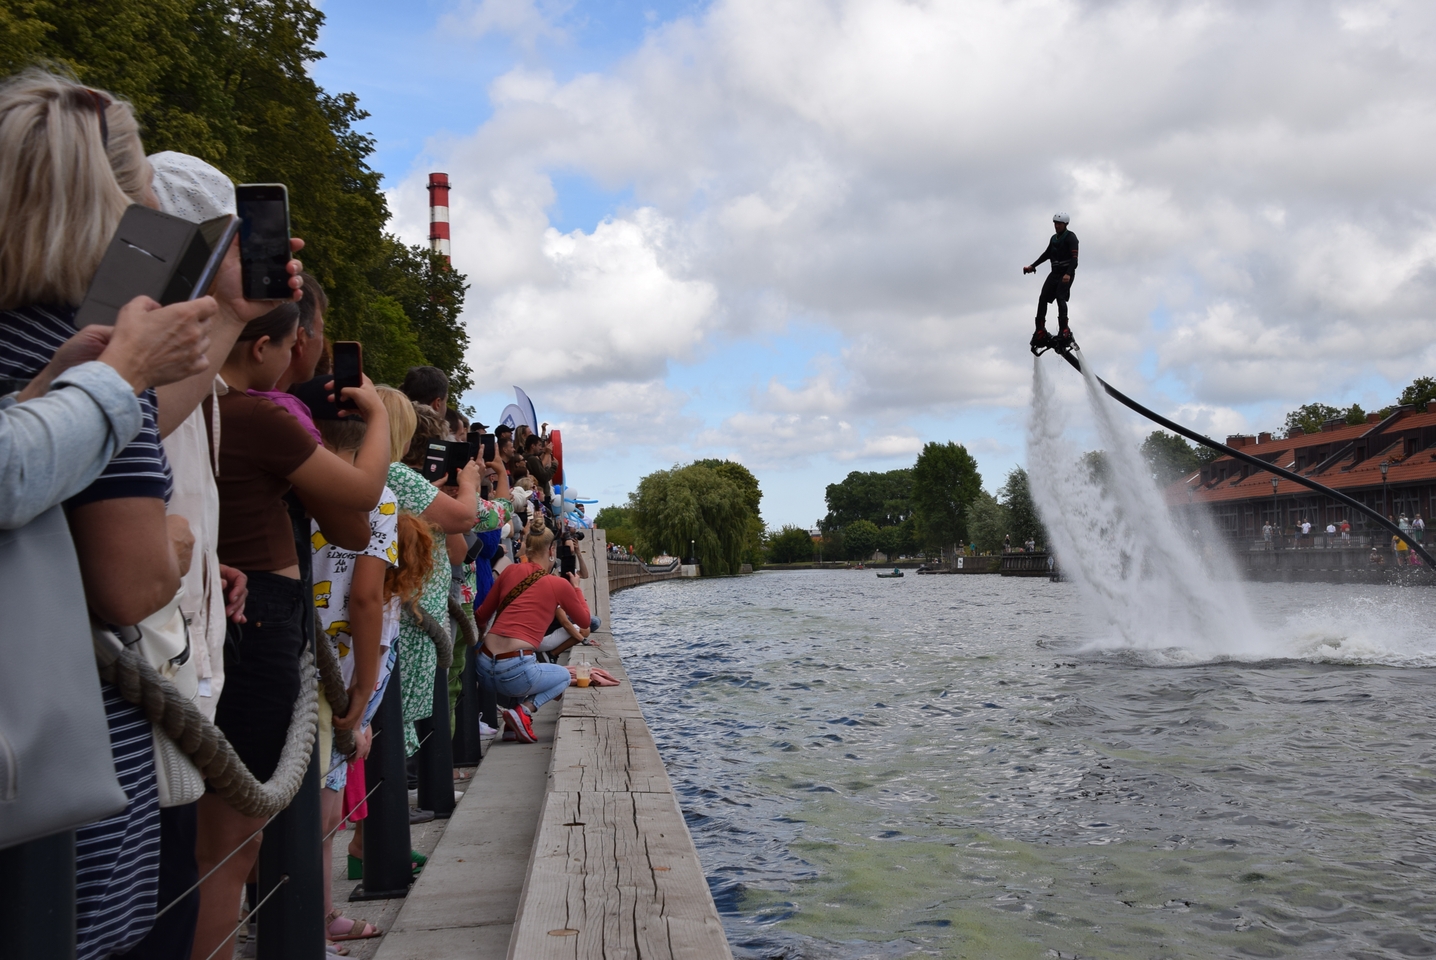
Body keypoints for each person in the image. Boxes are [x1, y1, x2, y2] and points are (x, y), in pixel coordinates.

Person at [192, 304, 389, 960]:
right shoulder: (257, 415)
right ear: (266, 346)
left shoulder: (194, 410)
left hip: (227, 620)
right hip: (265, 623)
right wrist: (380, 417)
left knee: (219, 844)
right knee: (230, 847)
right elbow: (361, 505)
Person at [473, 520, 592, 743]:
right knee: (565, 676)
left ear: (527, 547)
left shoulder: (509, 571)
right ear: (551, 550)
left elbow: (481, 615)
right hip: (514, 672)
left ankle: (511, 725)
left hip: (484, 667)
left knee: (529, 667)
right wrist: (576, 588)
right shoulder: (557, 584)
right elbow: (585, 621)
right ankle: (524, 711)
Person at [1024, 213, 1078, 353]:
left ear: (1065, 224)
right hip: (1054, 273)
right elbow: (1047, 254)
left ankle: (1064, 329)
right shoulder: (1054, 239)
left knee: (1060, 297)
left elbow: (1074, 259)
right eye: (1055, 223)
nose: (1056, 225)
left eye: (1059, 223)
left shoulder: (1071, 237)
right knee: (1042, 298)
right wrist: (1033, 266)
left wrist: (1068, 273)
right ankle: (1040, 329)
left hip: (1066, 274)